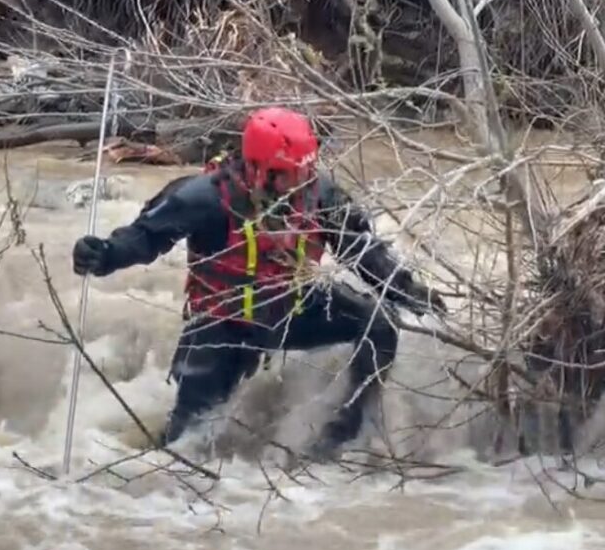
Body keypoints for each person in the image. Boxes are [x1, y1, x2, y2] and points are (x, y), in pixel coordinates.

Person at [72, 107, 446, 458]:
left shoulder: (321, 195)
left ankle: (345, 433)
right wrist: (104, 255)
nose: (299, 183)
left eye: (305, 171)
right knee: (185, 444)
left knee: (379, 324)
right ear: (256, 168)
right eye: (287, 174)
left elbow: (364, 253)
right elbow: (145, 237)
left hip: (293, 312)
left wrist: (410, 293)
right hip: (221, 326)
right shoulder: (203, 197)